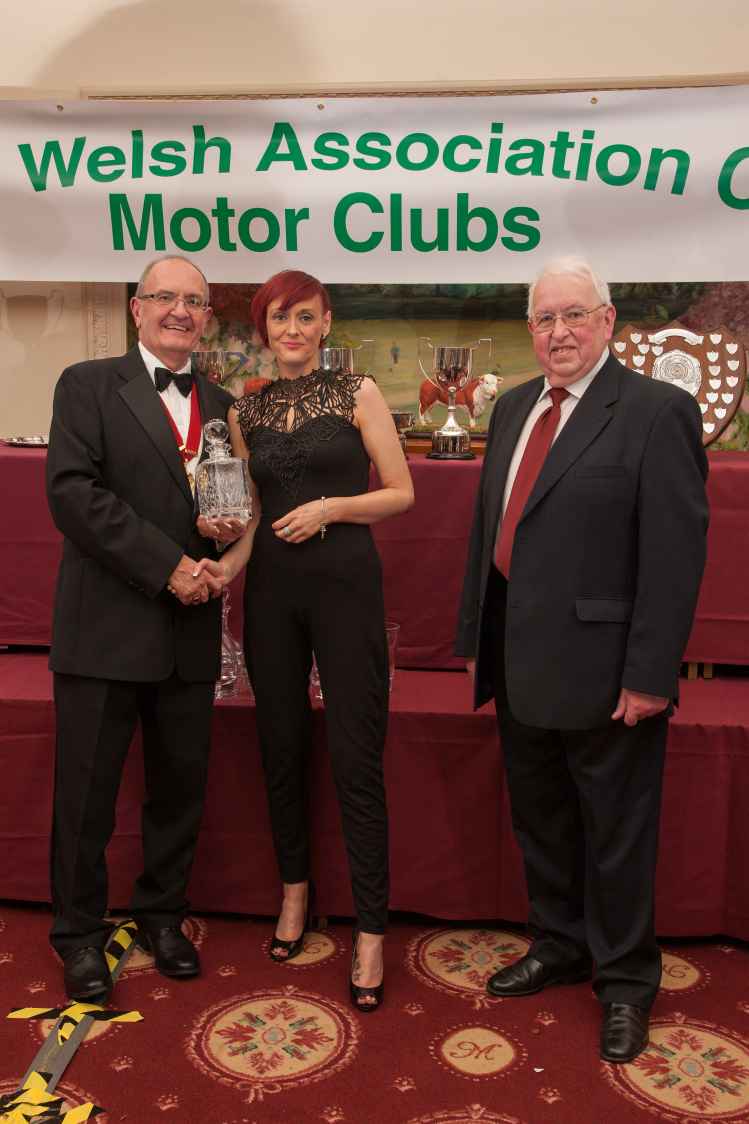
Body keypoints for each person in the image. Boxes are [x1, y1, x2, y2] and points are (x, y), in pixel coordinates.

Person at [455, 257, 708, 1062]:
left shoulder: (655, 412)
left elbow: (674, 556)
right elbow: (495, 531)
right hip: (517, 659)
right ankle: (559, 943)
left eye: (573, 315)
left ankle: (626, 981)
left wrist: (650, 674)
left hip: (608, 673)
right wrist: (478, 643)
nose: (557, 333)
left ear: (606, 322)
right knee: (541, 822)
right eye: (544, 319)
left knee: (617, 837)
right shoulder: (512, 408)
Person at [197, 270, 413, 1012]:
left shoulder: (358, 393)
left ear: (325, 324)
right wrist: (225, 568)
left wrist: (331, 508)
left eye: (304, 317)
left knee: (356, 756)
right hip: (271, 597)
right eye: (278, 318)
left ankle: (372, 931)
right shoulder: (246, 411)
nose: (291, 330)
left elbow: (401, 491)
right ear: (264, 329)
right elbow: (254, 515)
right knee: (280, 746)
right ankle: (294, 894)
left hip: (347, 590)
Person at [46, 255, 235, 1001]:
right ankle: (77, 936)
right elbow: (74, 495)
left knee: (179, 791)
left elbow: (225, 503)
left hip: (190, 630)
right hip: (106, 628)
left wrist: (225, 537)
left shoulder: (223, 402)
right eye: (164, 297)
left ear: (207, 318)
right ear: (137, 308)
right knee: (85, 797)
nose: (179, 311)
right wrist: (168, 566)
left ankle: (162, 915)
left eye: (194, 301)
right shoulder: (86, 384)